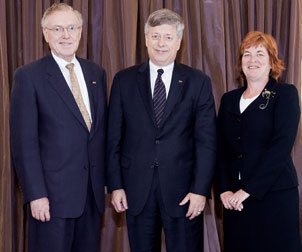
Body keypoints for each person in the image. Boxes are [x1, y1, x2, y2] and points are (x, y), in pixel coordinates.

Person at [107, 8, 216, 252]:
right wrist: (116, 185)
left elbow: (206, 142)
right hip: (136, 192)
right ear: (146, 39)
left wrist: (200, 191)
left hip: (184, 193)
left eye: (168, 37)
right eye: (155, 36)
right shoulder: (123, 81)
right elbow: (113, 138)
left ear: (179, 42)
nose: (161, 43)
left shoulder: (198, 82)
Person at [10, 3, 107, 252]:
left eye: (71, 27)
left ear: (81, 31)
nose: (66, 35)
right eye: (58, 29)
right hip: (51, 200)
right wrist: (36, 195)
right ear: (45, 33)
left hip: (91, 196)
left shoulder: (96, 73)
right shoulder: (29, 76)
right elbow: (24, 143)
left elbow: (99, 135)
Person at [216, 31, 302, 252]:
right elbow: (221, 149)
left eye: (260, 54)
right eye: (247, 54)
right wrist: (224, 190)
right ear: (240, 62)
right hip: (234, 201)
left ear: (272, 62)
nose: (252, 60)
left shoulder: (285, 94)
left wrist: (249, 190)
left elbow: (281, 147)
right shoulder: (228, 100)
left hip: (274, 197)